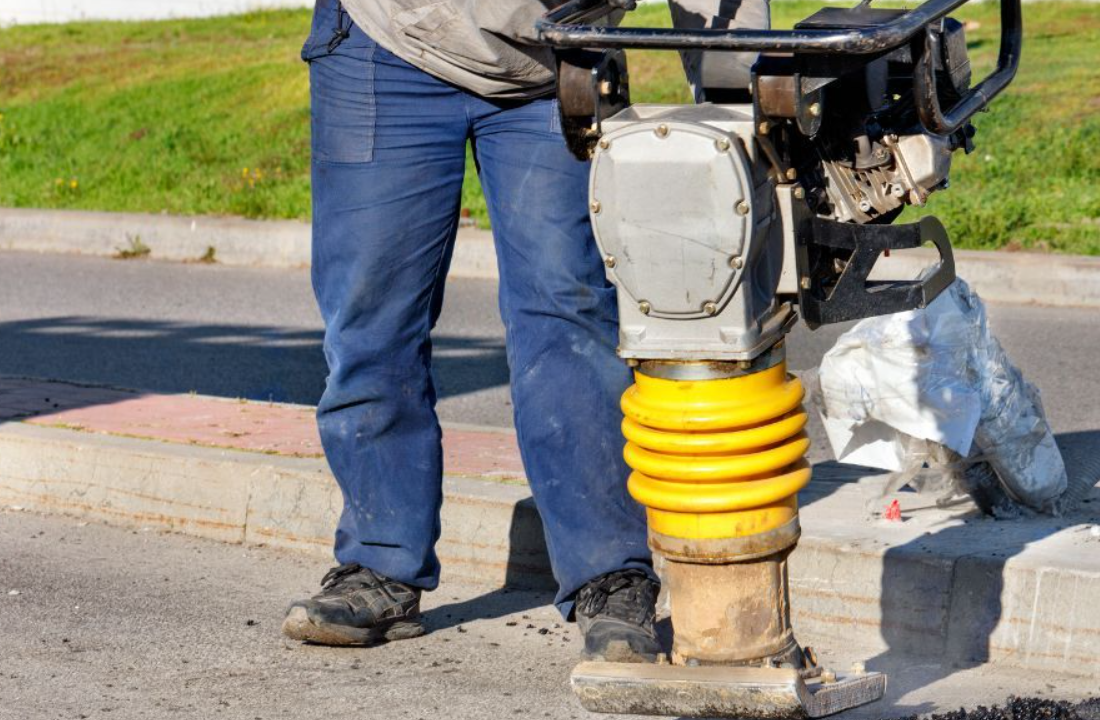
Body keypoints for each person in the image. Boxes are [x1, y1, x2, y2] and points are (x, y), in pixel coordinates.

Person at [281, 0, 768, 662]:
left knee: (567, 311)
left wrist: (735, 94)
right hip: (386, 40)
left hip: (555, 58)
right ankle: (379, 563)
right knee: (372, 315)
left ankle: (609, 574)